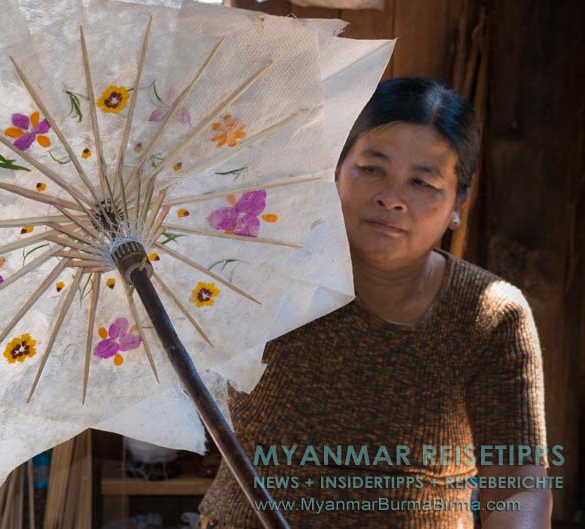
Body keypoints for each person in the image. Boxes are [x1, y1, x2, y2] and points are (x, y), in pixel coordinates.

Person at [197, 77, 552, 529]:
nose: (392, 197)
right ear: (337, 169)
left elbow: (518, 481)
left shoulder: (490, 317)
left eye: (422, 181)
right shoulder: (259, 276)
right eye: (371, 168)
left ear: (460, 200)